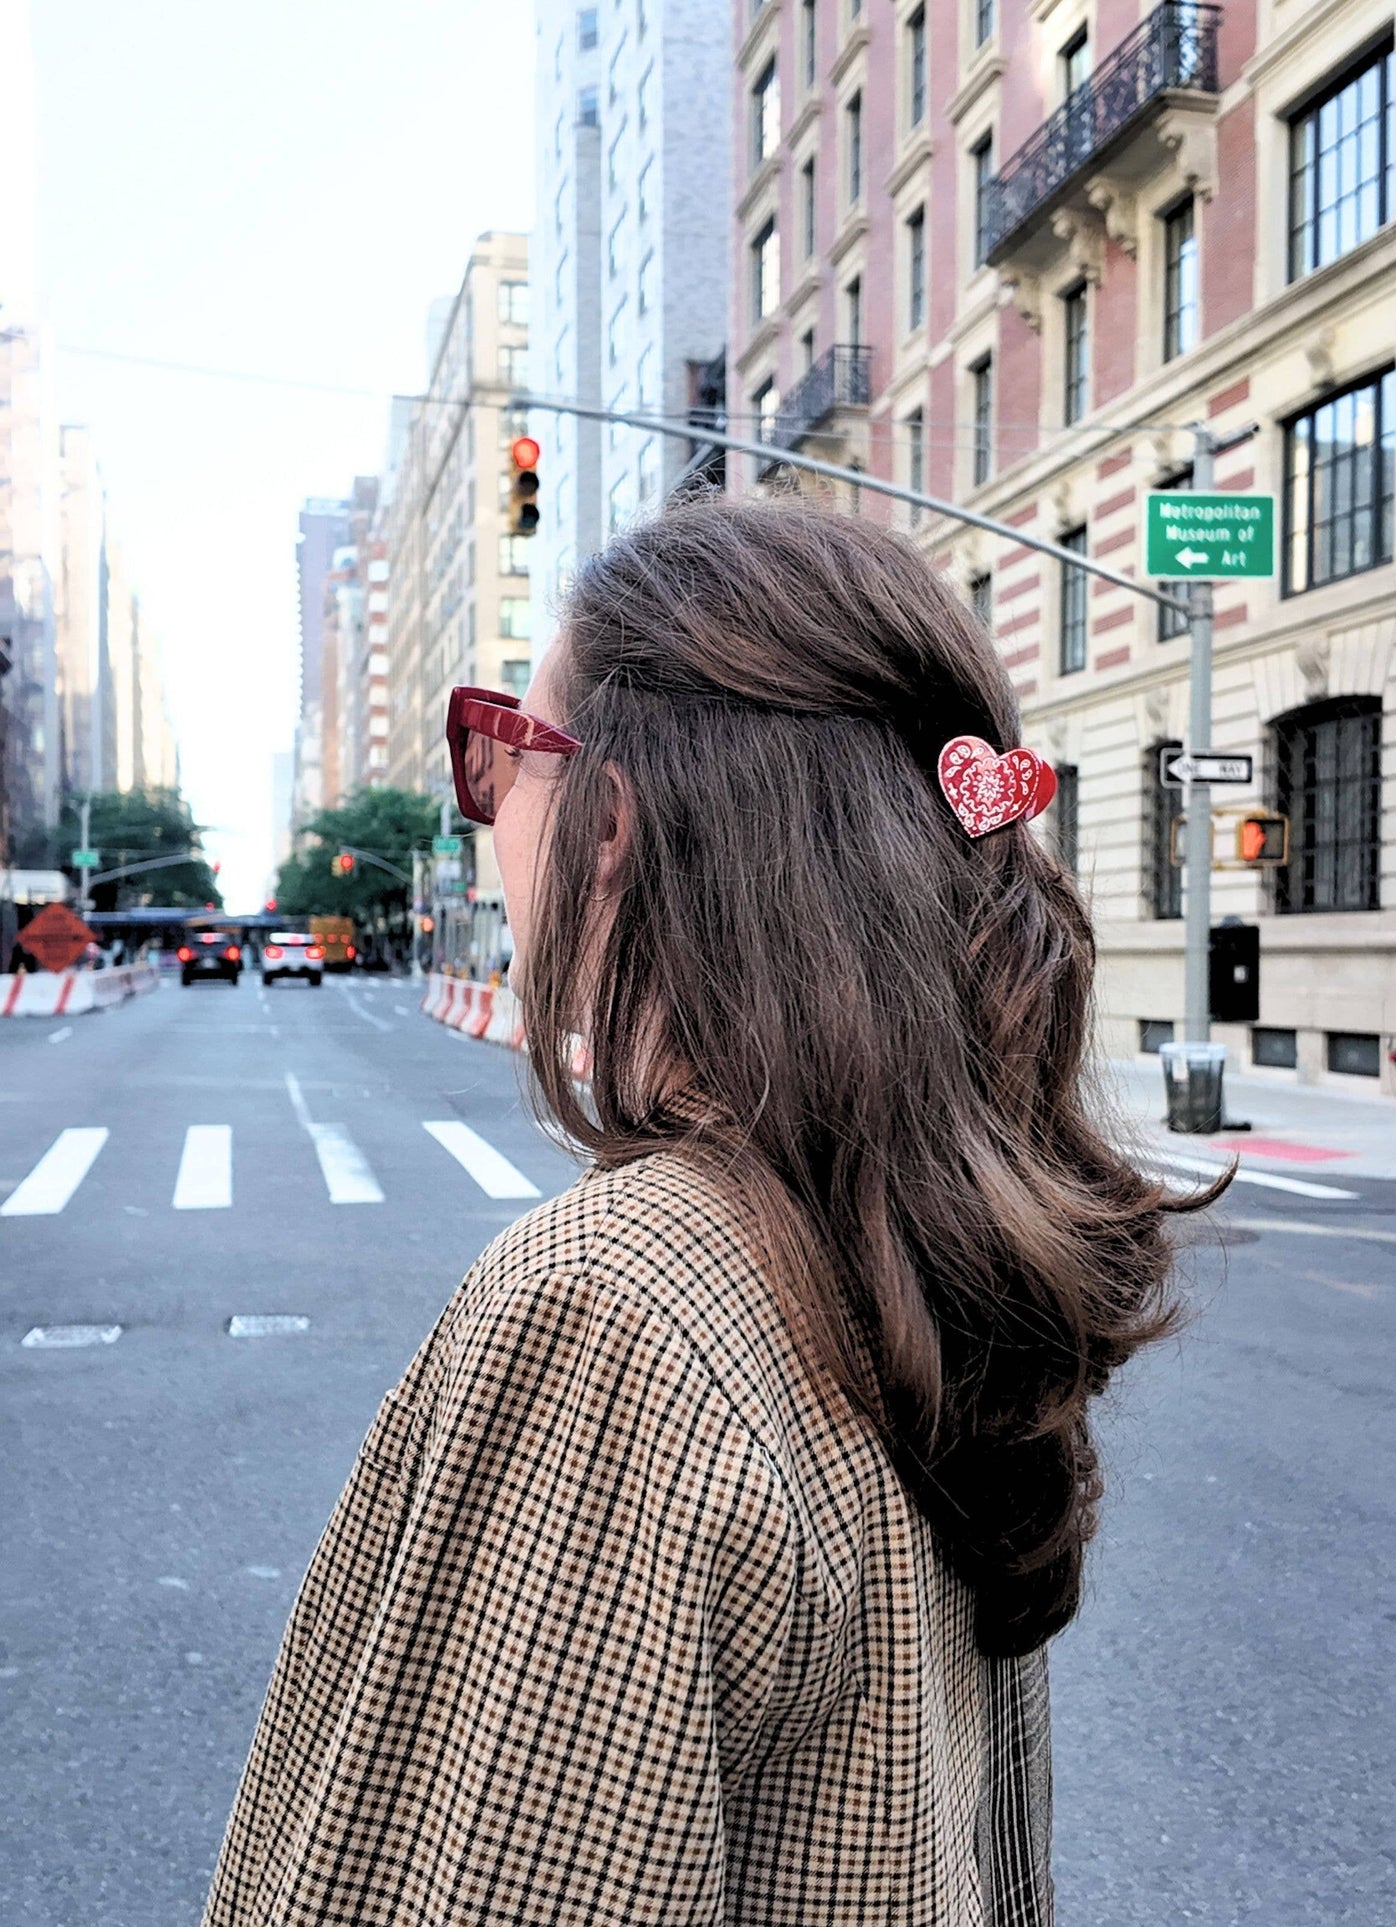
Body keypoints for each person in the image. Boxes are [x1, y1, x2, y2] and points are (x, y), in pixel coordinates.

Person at [202, 499, 1219, 1927]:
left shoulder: (613, 1307)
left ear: (608, 827)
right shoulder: (925, 1222)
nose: (485, 814)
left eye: (505, 755)